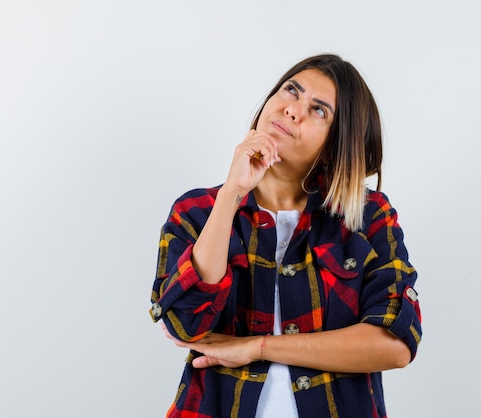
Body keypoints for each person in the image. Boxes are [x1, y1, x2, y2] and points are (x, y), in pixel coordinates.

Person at [149, 54, 422, 418]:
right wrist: (232, 192)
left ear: (334, 147)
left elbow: (394, 344)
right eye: (291, 90)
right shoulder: (198, 210)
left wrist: (259, 347)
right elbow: (184, 322)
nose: (294, 110)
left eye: (319, 110)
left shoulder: (366, 216)